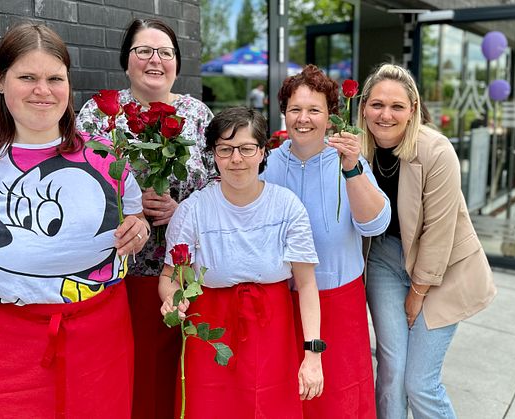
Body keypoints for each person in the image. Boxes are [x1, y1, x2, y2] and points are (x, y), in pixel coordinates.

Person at [0, 23, 148, 418]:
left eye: (54, 78)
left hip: (102, 342)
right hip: (4, 348)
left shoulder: (107, 159)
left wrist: (140, 228)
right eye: (27, 77)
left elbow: (134, 219)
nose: (42, 90)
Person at [75, 18, 215, 417]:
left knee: (177, 377)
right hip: (117, 272)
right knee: (124, 374)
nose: (156, 60)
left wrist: (181, 210)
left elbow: (224, 181)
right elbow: (80, 180)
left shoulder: (198, 115)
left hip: (181, 272)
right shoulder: (99, 116)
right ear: (126, 60)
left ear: (177, 62)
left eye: (166, 53)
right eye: (144, 51)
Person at [158, 107, 323, 418]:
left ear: (262, 152)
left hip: (273, 330)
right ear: (214, 154)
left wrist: (312, 354)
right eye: (225, 149)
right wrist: (171, 300)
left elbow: (306, 283)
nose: (236, 159)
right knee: (209, 407)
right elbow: (170, 276)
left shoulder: (286, 207)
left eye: (247, 148)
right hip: (209, 331)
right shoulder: (192, 211)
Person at [357, 63, 496, 419]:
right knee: (392, 373)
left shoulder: (436, 150)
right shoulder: (356, 149)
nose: (385, 115)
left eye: (397, 106)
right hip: (385, 260)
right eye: (377, 104)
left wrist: (417, 292)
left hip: (443, 266)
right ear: (363, 107)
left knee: (420, 382)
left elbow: (439, 230)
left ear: (413, 109)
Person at [263, 64, 390, 418]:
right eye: (295, 109)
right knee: (283, 398)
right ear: (284, 113)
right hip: (279, 303)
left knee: (338, 400)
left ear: (330, 116)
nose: (303, 119)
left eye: (314, 110)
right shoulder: (267, 164)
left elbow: (375, 224)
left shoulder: (346, 160)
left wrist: (352, 169)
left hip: (337, 302)